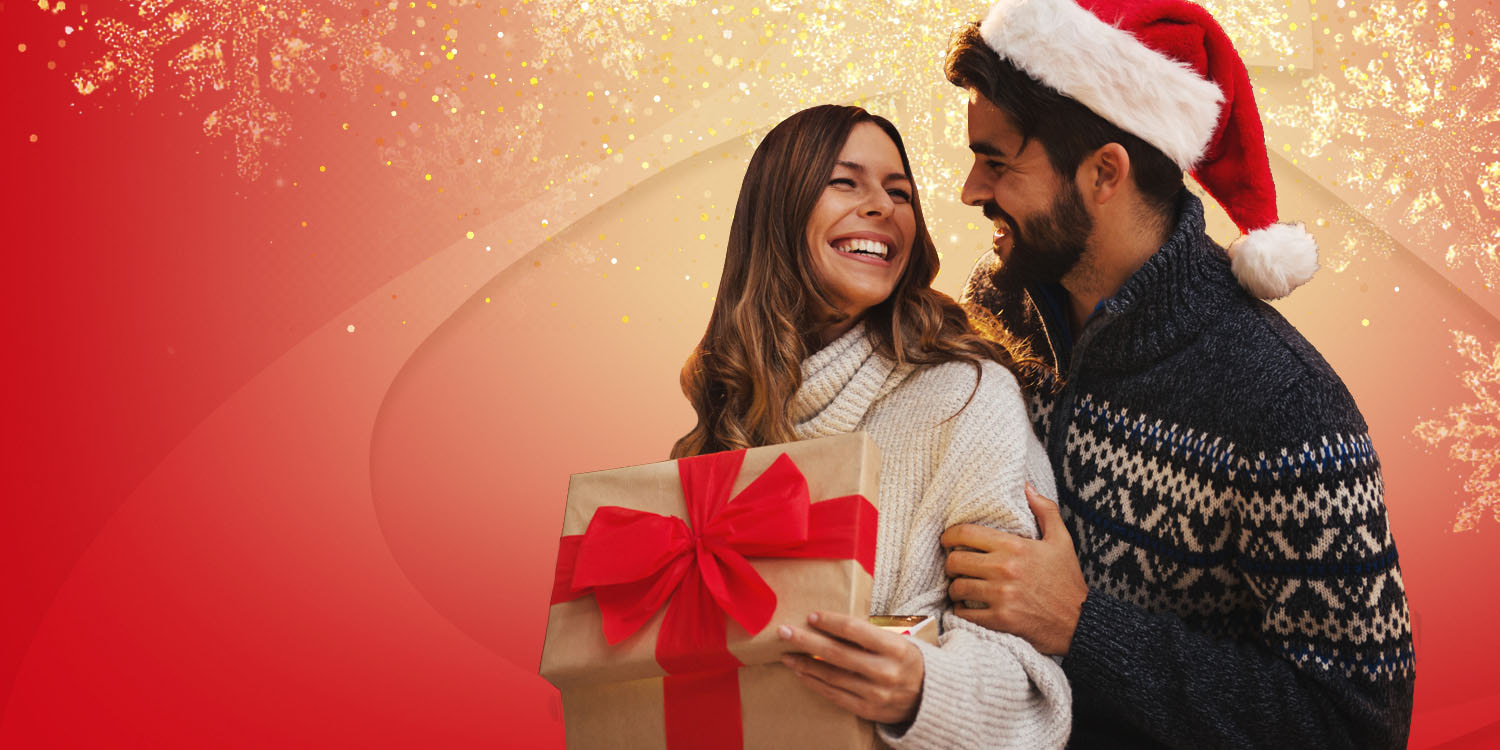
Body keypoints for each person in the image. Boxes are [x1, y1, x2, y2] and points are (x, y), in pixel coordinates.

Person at [935, 1, 1416, 747]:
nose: (970, 189)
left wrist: (1084, 626)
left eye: (997, 161)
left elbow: (1357, 725)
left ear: (1104, 174)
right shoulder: (997, 305)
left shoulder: (1284, 405)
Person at [670, 104, 1071, 748]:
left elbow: (1029, 680)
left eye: (899, 191)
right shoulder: (730, 413)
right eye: (845, 181)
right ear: (778, 210)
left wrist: (921, 692)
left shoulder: (965, 399)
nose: (882, 206)